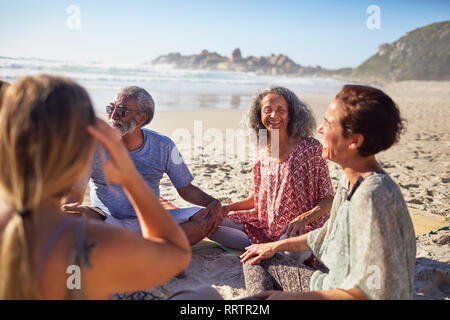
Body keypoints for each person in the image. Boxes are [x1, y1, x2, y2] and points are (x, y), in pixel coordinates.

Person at [0, 75, 191, 299]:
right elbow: (176, 253)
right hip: (112, 228)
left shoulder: (14, 221)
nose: (111, 116)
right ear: (77, 153)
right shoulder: (89, 240)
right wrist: (130, 177)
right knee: (205, 294)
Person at [240, 84, 416, 300]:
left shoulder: (374, 195)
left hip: (335, 293)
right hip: (329, 283)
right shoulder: (350, 182)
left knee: (257, 268)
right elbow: (324, 236)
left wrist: (290, 297)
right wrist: (274, 246)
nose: (320, 129)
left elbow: (377, 292)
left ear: (355, 140)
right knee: (256, 255)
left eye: (328, 123)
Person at [63, 86, 223, 245]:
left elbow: (185, 189)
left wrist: (212, 203)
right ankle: (153, 247)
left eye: (121, 112)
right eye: (110, 108)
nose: (112, 116)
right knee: (74, 216)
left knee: (205, 218)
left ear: (142, 119)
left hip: (153, 221)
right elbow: (76, 192)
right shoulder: (91, 146)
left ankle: (137, 246)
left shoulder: (164, 145)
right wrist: (66, 216)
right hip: (107, 221)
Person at [209, 87, 334, 265]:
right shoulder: (260, 150)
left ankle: (271, 250)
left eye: (281, 110)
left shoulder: (310, 148)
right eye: (267, 110)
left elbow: (328, 199)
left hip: (298, 232)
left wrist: (302, 219)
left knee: (293, 254)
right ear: (259, 114)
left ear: (291, 115)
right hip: (265, 226)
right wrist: (228, 207)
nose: (274, 115)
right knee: (210, 225)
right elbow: (256, 199)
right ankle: (264, 247)